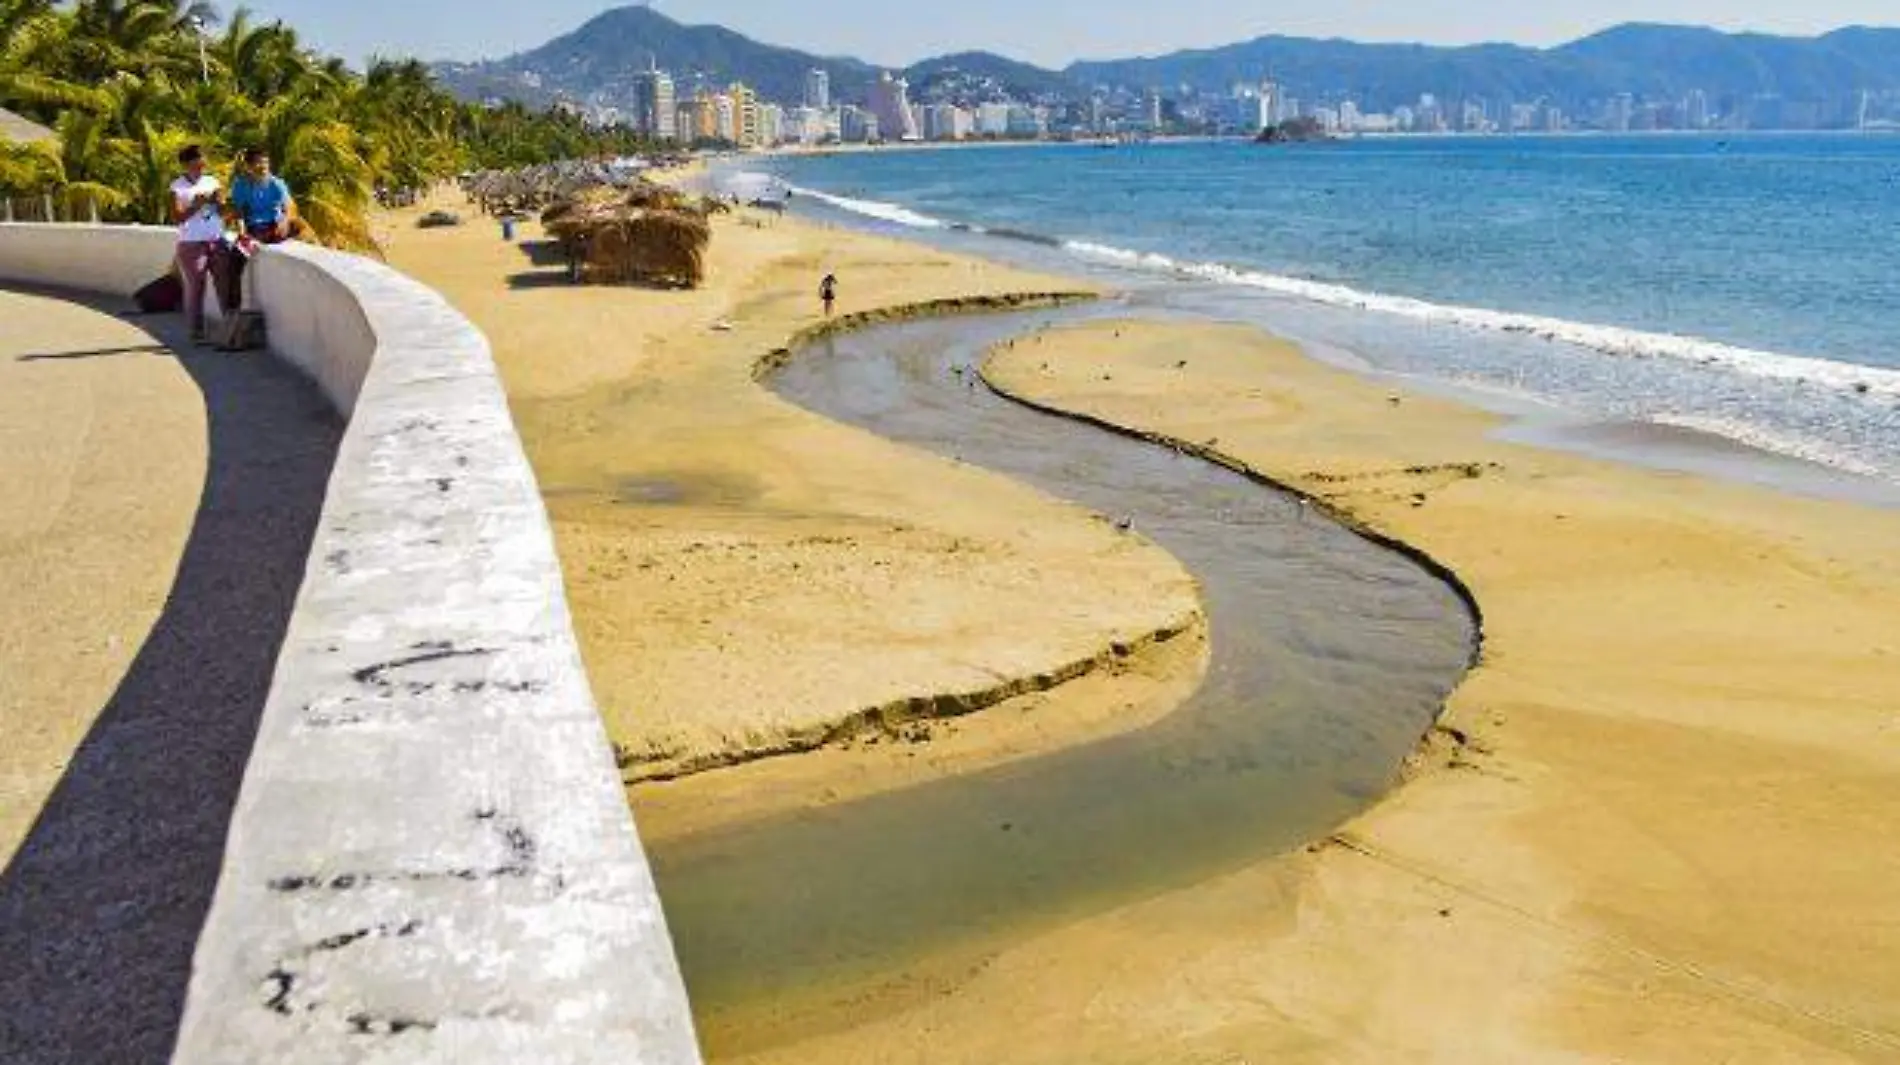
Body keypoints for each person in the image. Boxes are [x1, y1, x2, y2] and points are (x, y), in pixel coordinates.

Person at [169, 144, 224, 343]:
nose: (201, 165)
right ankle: (196, 331)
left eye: (202, 161)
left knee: (223, 283)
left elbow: (223, 210)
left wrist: (218, 203)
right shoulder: (178, 186)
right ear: (186, 164)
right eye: (196, 162)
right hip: (191, 243)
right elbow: (176, 217)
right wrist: (195, 206)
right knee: (196, 286)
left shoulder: (212, 181)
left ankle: (229, 327)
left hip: (216, 239)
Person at [227, 147, 294, 244]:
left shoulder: (276, 183)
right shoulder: (240, 185)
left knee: (297, 226)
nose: (263, 166)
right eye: (258, 162)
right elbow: (238, 212)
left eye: (266, 162)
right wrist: (242, 230)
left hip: (275, 223)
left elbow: (290, 206)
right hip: (255, 225)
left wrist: (285, 221)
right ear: (248, 166)